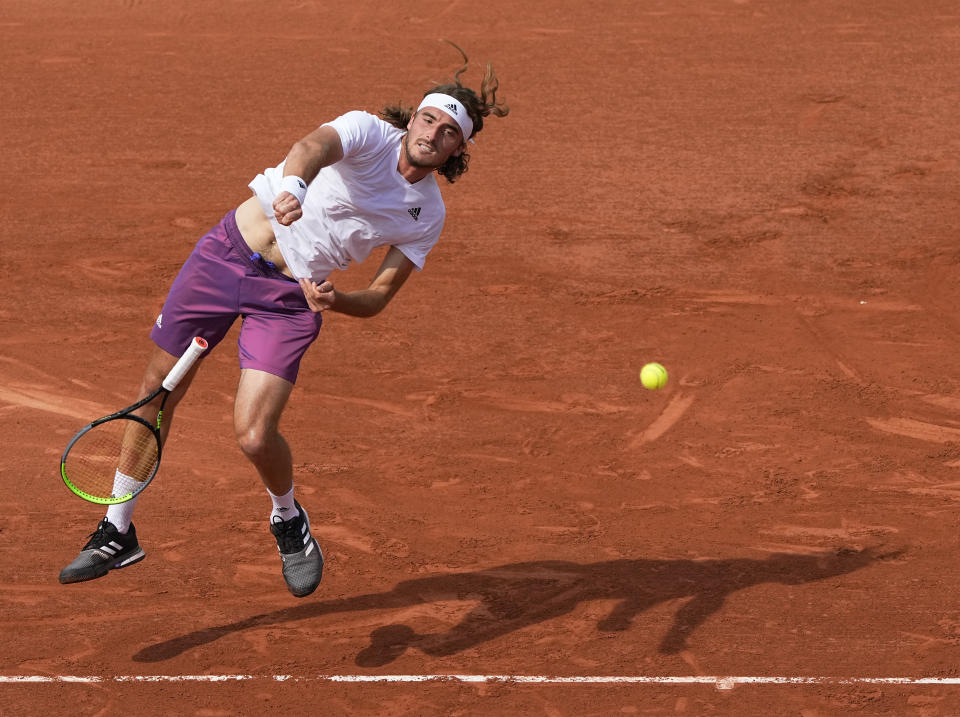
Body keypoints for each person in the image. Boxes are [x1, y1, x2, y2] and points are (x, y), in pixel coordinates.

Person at [59, 51, 509, 598]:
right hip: (225, 256)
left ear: (458, 150)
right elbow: (311, 149)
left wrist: (333, 298)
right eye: (429, 120)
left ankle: (288, 518)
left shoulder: (426, 215)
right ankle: (118, 528)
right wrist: (294, 187)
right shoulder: (368, 131)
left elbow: (378, 298)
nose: (433, 134)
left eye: (449, 133)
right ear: (411, 119)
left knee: (253, 435)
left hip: (290, 303)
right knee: (155, 393)